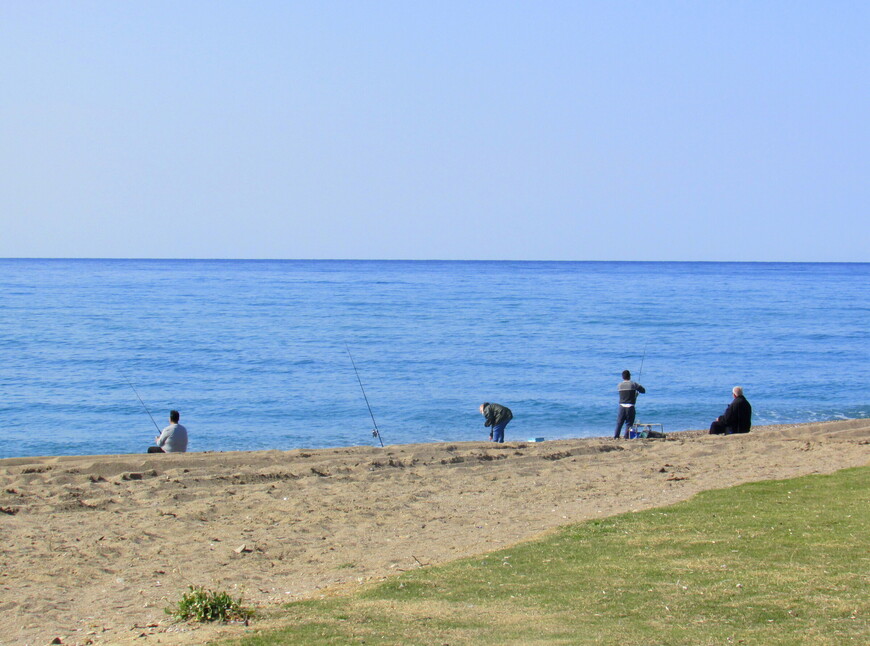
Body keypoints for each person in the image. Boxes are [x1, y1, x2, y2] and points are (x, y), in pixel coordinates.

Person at [614, 370, 645, 439]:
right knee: (629, 424)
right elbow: (643, 390)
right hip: (630, 406)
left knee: (619, 423)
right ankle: (626, 436)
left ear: (622, 377)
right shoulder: (633, 384)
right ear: (630, 376)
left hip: (621, 406)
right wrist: (636, 393)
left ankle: (616, 436)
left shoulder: (619, 385)